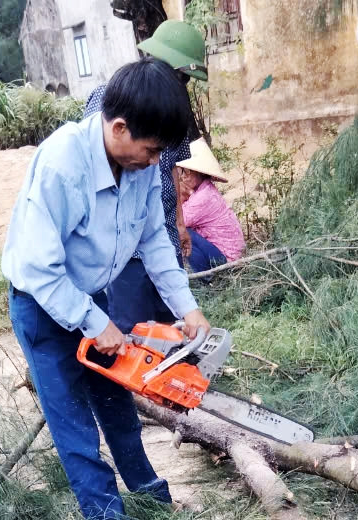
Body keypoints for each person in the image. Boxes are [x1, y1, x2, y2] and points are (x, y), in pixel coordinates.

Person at [0, 58, 212, 520]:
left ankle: (150, 498)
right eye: (151, 148)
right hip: (42, 304)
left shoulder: (138, 164)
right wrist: (93, 321)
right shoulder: (61, 166)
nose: (154, 159)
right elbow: (38, 269)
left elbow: (154, 238)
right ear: (118, 128)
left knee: (117, 408)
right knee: (75, 427)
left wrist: (187, 307)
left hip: (90, 297)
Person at [82, 20, 208, 332]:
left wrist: (179, 224)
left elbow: (174, 170)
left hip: (161, 235)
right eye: (179, 76)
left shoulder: (175, 110)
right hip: (125, 248)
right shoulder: (110, 97)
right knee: (133, 333)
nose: (180, 84)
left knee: (172, 330)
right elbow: (95, 166)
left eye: (185, 80)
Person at [175, 138, 246, 273]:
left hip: (226, 261)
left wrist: (180, 195)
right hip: (226, 257)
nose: (183, 177)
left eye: (186, 172)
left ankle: (207, 278)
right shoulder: (205, 191)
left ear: (198, 172)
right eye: (182, 172)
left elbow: (179, 219)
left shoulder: (204, 197)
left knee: (183, 232)